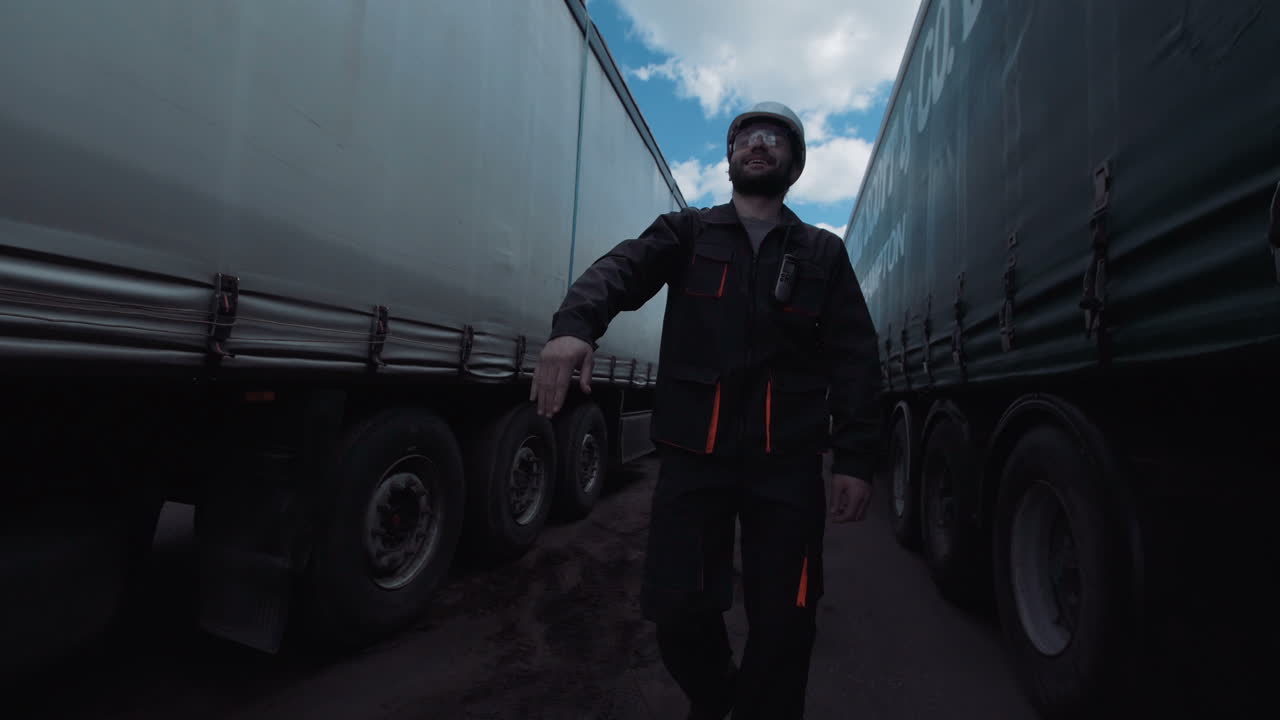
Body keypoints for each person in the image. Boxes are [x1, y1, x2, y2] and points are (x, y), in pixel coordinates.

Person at [531, 101, 882, 720]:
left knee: (788, 616)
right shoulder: (687, 233)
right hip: (696, 455)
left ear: (795, 164)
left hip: (787, 462)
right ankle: (718, 693)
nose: (758, 144)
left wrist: (855, 457)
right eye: (747, 136)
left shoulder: (822, 253)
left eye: (774, 138)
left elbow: (855, 356)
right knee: (678, 608)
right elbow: (621, 268)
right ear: (730, 158)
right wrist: (574, 326)